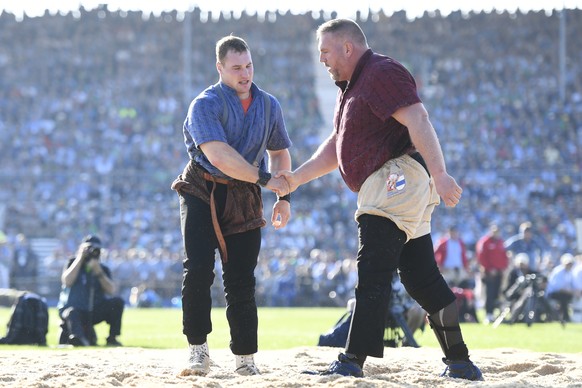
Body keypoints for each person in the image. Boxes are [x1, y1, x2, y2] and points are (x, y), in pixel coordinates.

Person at [278, 18, 482, 381]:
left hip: (395, 178)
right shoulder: (353, 87)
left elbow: (419, 118)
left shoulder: (380, 71)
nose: (322, 59)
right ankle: (460, 361)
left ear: (347, 47)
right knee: (421, 278)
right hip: (401, 183)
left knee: (372, 269)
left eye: (325, 51)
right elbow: (337, 148)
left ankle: (352, 361)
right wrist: (295, 179)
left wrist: (441, 173)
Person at [170, 35, 292, 376]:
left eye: (249, 66)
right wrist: (266, 180)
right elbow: (218, 155)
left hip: (246, 192)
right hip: (201, 189)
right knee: (197, 271)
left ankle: (245, 358)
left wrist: (284, 196)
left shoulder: (269, 105)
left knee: (241, 279)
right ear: (220, 68)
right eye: (236, 67)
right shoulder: (204, 104)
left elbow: (280, 152)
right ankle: (198, 351)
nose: (245, 73)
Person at [57, 235, 124, 347]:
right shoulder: (72, 262)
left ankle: (112, 338)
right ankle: (78, 339)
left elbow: (111, 290)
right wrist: (80, 258)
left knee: (117, 302)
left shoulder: (103, 268)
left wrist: (98, 271)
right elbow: (67, 281)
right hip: (75, 309)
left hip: (94, 310)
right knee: (71, 313)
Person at [475, 224, 509, 324]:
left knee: (496, 294)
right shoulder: (485, 242)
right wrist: (489, 269)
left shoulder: (500, 242)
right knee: (489, 294)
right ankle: (488, 314)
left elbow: (504, 256)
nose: (496, 233)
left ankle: (495, 313)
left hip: (499, 272)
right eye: (494, 231)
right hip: (489, 274)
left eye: (497, 231)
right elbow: (481, 257)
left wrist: (504, 268)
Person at [546, 253, 578, 323]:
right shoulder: (558, 271)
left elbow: (572, 285)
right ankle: (565, 317)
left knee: (566, 297)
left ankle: (568, 316)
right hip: (552, 293)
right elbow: (558, 288)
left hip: (563, 293)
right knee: (564, 297)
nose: (569, 265)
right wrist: (573, 292)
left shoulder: (570, 272)